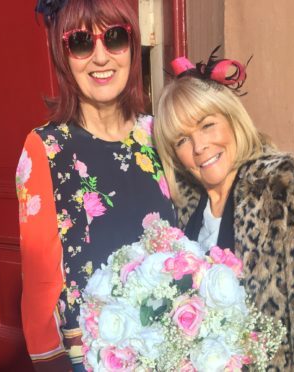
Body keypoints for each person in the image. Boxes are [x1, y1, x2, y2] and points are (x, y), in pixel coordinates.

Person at [153, 51, 294, 371]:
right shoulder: (188, 210)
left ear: (232, 121)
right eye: (182, 140)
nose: (199, 146)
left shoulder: (278, 195)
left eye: (207, 125)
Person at [16, 0, 175, 371]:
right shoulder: (45, 148)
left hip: (170, 342)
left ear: (132, 48)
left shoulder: (159, 134)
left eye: (115, 38)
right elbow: (39, 281)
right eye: (82, 43)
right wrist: (49, 362)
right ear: (63, 55)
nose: (101, 57)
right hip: (93, 355)